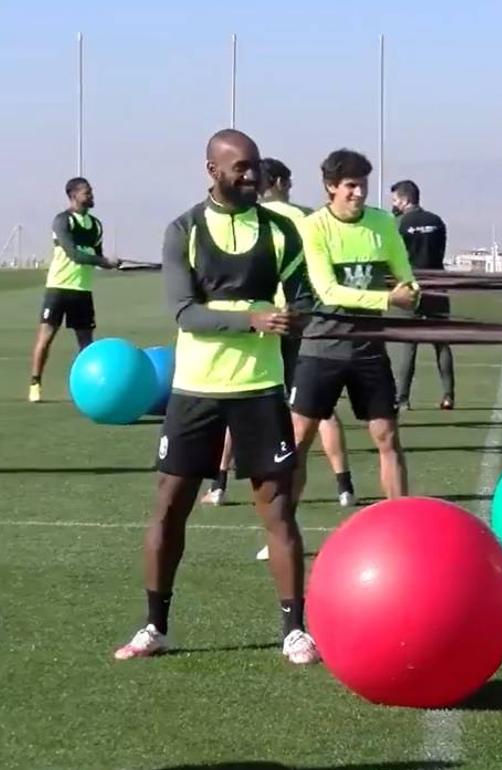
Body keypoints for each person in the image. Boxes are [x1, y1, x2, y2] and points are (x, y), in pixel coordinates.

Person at [113, 129, 319, 664]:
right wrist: (253, 319)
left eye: (256, 166)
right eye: (241, 167)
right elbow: (185, 312)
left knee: (278, 511)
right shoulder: (183, 230)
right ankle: (154, 626)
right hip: (196, 390)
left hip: (259, 389)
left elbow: (303, 298)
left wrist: (297, 316)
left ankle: (295, 631)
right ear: (213, 170)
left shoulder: (280, 231)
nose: (252, 175)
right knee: (169, 508)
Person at [202, 157, 357, 514]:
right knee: (321, 409)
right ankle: (344, 486)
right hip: (302, 321)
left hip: (262, 321)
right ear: (282, 182)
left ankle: (219, 485)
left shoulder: (250, 218)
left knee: (237, 398)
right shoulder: (307, 217)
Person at [289, 148, 417, 506]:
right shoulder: (313, 226)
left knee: (387, 436)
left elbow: (405, 276)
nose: (359, 193)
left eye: (363, 185)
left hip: (368, 348)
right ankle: (282, 526)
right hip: (322, 346)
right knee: (299, 438)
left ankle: (400, 521)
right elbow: (328, 291)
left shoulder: (383, 223)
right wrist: (389, 299)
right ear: (331, 186)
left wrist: (411, 291)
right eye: (350, 186)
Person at [29, 177, 120, 402]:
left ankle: (88, 388)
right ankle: (35, 383)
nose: (91, 196)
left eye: (91, 191)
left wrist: (109, 263)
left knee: (86, 345)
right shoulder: (62, 221)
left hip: (82, 290)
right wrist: (104, 261)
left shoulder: (96, 225)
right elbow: (74, 255)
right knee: (46, 338)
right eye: (87, 192)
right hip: (58, 288)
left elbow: (96, 256)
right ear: (73, 196)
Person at [389, 179, 454, 410]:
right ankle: (448, 395)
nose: (393, 204)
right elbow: (440, 252)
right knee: (442, 343)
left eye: (395, 200)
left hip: (411, 286)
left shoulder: (398, 224)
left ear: (405, 199)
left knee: (409, 344)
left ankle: (403, 398)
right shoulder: (436, 221)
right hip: (437, 286)